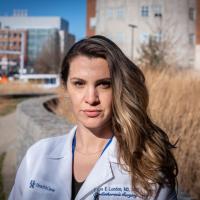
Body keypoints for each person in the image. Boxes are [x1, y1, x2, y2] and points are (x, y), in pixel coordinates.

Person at [9, 35, 178, 200]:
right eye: (79, 84)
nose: (91, 98)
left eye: (104, 84)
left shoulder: (148, 168)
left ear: (120, 88)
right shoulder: (37, 157)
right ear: (66, 87)